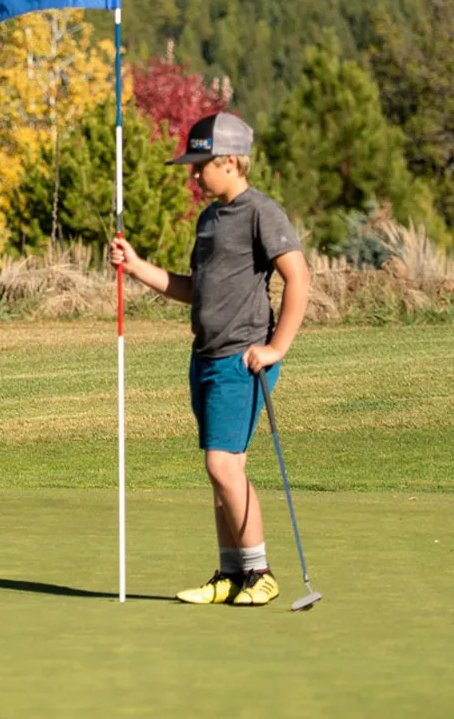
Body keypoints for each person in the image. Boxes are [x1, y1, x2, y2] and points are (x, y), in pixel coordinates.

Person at [111, 112, 310, 607]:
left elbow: (299, 279)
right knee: (222, 469)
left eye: (200, 165)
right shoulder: (209, 219)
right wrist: (136, 268)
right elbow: (195, 288)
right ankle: (230, 574)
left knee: (223, 466)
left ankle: (260, 572)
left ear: (229, 161)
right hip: (205, 356)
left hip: (243, 361)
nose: (194, 174)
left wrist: (276, 347)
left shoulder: (261, 212)